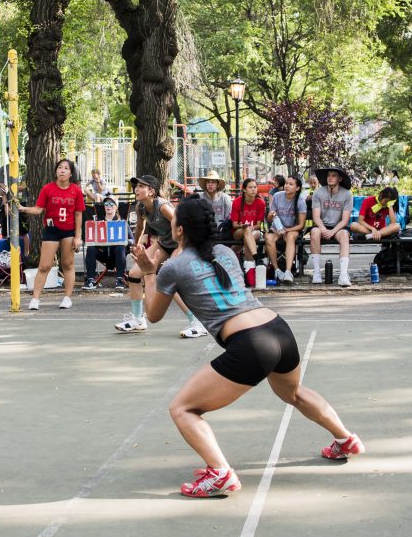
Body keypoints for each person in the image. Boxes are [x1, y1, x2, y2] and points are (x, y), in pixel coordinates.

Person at [134, 195, 364, 497]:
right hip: (278, 329)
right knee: (293, 393)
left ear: (178, 231)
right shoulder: (224, 252)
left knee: (183, 408)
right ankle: (346, 439)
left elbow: (152, 315)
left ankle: (220, 474)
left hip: (250, 343)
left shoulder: (173, 268)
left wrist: (149, 272)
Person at [114, 174, 207, 338]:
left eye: (141, 186)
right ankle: (137, 319)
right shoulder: (141, 207)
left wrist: (182, 248)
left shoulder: (163, 207)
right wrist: (136, 245)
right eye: (135, 186)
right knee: (134, 274)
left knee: (171, 280)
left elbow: (181, 225)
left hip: (180, 242)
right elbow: (140, 227)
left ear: (151, 191)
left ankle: (198, 323)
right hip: (165, 243)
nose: (136, 189)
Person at [19, 159, 84, 310]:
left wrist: (78, 236)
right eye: (60, 168)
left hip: (68, 230)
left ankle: (67, 297)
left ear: (70, 173)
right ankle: (35, 298)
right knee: (44, 265)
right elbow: (38, 209)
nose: (62, 170)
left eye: (66, 168)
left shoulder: (76, 190)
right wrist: (22, 209)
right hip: (51, 229)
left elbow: (79, 214)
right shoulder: (48, 188)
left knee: (67, 264)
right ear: (56, 171)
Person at [310, 165, 354, 287]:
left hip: (338, 227)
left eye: (334, 175)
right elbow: (316, 217)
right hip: (322, 225)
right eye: (329, 175)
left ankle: (343, 275)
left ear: (340, 179)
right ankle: (317, 273)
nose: (330, 178)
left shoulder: (347, 195)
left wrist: (333, 231)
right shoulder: (318, 193)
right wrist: (323, 228)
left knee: (345, 235)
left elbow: (345, 220)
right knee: (314, 232)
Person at [265, 174, 306, 283]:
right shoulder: (277, 196)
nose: (287, 186)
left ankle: (288, 271)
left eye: (291, 184)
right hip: (277, 228)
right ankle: (277, 270)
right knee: (268, 238)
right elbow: (269, 220)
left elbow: (301, 225)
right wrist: (271, 215)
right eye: (286, 183)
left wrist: (287, 230)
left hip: (291, 229)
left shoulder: (300, 201)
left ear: (297, 188)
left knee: (290, 237)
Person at [83, 195, 127, 290]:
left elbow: (132, 240)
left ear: (116, 207)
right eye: (106, 204)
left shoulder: (122, 222)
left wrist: (125, 241)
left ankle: (120, 280)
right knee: (90, 248)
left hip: (117, 255)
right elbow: (91, 239)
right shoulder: (98, 222)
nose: (108, 206)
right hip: (102, 254)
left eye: (111, 204)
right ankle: (90, 280)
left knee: (121, 247)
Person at [230, 178, 266, 281]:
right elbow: (234, 224)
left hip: (255, 231)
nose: (253, 190)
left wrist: (251, 227)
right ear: (244, 189)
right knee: (246, 231)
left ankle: (249, 269)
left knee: (248, 234)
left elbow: (259, 225)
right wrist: (242, 226)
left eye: (255, 187)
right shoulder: (237, 202)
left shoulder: (260, 203)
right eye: (250, 187)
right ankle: (255, 260)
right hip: (238, 231)